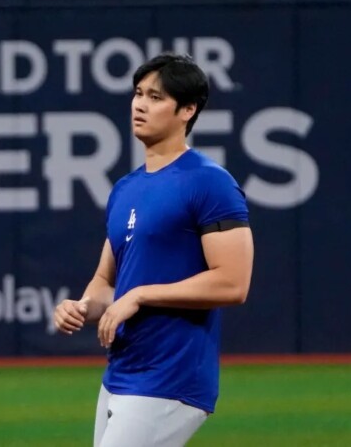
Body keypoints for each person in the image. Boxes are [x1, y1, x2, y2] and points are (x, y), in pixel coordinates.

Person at [53, 52, 254, 447]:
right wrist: (81, 307)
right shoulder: (126, 188)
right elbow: (105, 281)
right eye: (138, 93)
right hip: (121, 373)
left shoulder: (209, 182)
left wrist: (141, 296)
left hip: (172, 376)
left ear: (188, 110)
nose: (140, 104)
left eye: (157, 97)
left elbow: (233, 283)